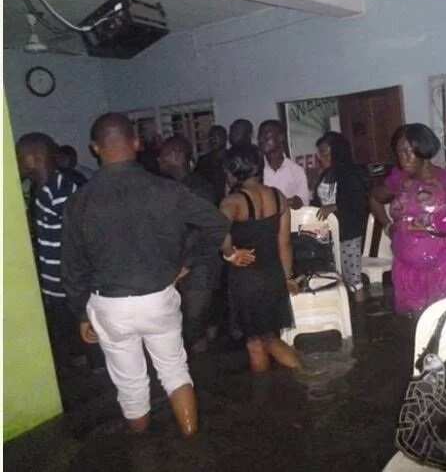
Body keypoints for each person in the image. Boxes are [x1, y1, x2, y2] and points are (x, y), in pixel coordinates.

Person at [61, 113, 235, 437]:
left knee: (130, 385)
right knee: (174, 371)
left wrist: (80, 312)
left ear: (95, 148)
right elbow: (217, 223)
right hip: (158, 297)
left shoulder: (79, 201)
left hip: (110, 305)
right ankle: (192, 443)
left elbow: (71, 266)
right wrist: (188, 262)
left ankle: (142, 451)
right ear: (137, 143)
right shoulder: (167, 190)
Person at [15, 132, 101, 369]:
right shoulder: (42, 190)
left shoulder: (63, 190)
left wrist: (80, 286)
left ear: (33, 159)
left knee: (93, 344)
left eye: (19, 157)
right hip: (56, 286)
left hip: (73, 284)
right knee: (72, 340)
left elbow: (81, 241)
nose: (17, 163)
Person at [370, 123, 446, 314]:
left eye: (407, 151)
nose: (402, 158)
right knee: (416, 327)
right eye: (399, 153)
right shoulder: (399, 181)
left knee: (443, 324)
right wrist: (387, 226)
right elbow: (374, 199)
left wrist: (443, 226)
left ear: (423, 149)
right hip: (407, 269)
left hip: (443, 268)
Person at [219, 144, 301, 372]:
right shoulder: (279, 196)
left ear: (232, 170)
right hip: (273, 275)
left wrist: (230, 254)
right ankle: (272, 393)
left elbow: (216, 232)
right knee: (266, 337)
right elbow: (284, 243)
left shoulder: (232, 202)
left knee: (259, 341)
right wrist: (288, 277)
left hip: (247, 280)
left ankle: (307, 374)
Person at [158, 134, 220, 354]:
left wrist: (186, 264)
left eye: (163, 155)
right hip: (187, 264)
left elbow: (201, 230)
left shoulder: (197, 188)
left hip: (198, 265)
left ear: (176, 156)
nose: (159, 160)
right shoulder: (175, 186)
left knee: (192, 326)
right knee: (199, 325)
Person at [311, 131, 368, 302]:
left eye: (324, 152)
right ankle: (342, 312)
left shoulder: (351, 173)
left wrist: (335, 206)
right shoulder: (325, 174)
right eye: (319, 152)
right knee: (332, 276)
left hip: (347, 232)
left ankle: (359, 315)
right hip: (326, 233)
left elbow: (357, 202)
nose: (320, 157)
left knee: (353, 277)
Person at [258, 119, 309, 210]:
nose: (261, 140)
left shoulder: (296, 170)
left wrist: (297, 202)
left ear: (281, 137)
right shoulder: (256, 169)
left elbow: (304, 203)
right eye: (260, 136)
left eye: (266, 135)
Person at [196, 125, 229, 202]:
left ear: (225, 138)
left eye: (217, 136)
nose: (213, 139)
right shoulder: (203, 161)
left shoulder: (233, 157)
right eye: (211, 137)